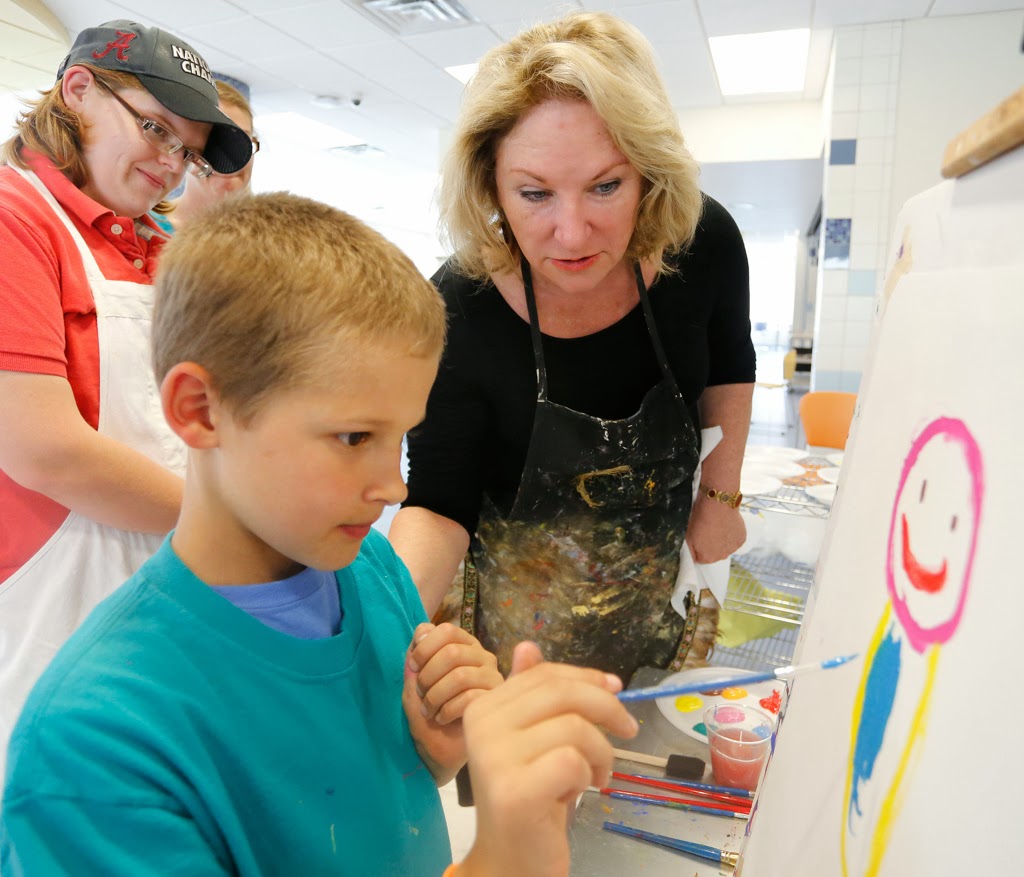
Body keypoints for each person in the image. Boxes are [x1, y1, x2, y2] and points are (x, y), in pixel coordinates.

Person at [0, 192, 639, 877]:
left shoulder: (372, 572)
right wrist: (506, 858)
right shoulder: (101, 746)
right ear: (199, 410)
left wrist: (430, 752)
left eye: (400, 438)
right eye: (354, 436)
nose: (393, 487)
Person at [389, 11, 756, 684]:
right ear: (490, 184)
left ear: (649, 175)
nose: (570, 232)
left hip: (660, 602)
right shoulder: (458, 310)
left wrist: (720, 493)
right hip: (516, 645)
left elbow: (731, 363)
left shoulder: (701, 244)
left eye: (606, 186)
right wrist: (380, 632)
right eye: (534, 193)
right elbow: (440, 502)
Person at [0, 19, 252, 772]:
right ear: (77, 90)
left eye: (187, 151)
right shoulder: (17, 221)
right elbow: (45, 450)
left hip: (156, 600)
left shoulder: (161, 245)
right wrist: (241, 528)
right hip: (42, 613)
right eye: (155, 128)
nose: (171, 164)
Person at [151, 80, 259, 233]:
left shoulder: (273, 238)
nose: (229, 158)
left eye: (242, 143)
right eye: (214, 142)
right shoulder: (144, 230)